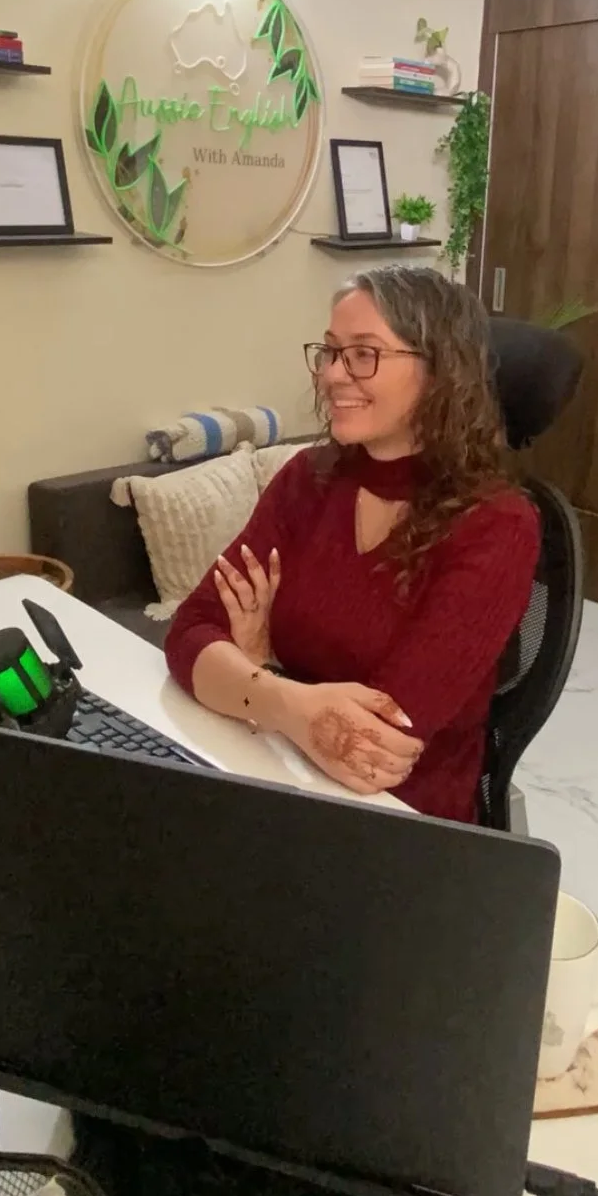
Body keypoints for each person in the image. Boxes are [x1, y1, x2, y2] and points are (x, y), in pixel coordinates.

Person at [164, 266, 541, 822]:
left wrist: (254, 676)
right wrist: (282, 699)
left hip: (399, 824)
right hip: (275, 776)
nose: (333, 375)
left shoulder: (497, 525)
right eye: (330, 352)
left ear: (441, 372)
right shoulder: (308, 480)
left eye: (363, 354)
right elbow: (189, 633)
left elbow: (376, 750)